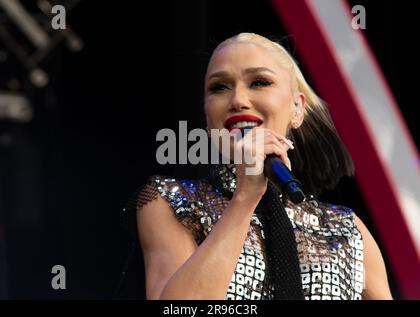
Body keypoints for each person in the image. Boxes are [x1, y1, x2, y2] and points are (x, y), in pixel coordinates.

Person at [122, 33, 393, 300]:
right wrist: (244, 197)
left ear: (297, 108)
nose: (238, 99)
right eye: (219, 87)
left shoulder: (345, 230)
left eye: (259, 82)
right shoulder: (170, 202)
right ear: (207, 115)